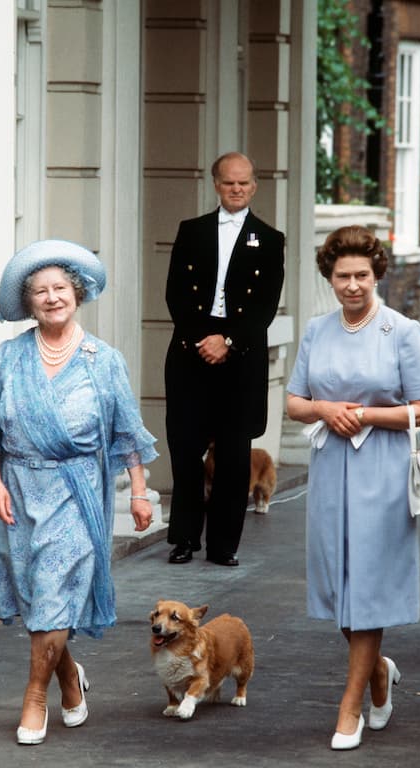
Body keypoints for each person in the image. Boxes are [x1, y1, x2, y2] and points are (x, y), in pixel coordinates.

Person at [0, 239, 157, 745]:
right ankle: (69, 676)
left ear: (79, 292)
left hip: (76, 491)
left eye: (60, 288)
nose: (51, 298)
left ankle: (33, 696)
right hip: (18, 491)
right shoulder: (9, 356)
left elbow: (126, 432)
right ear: (29, 303)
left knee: (51, 591)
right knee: (39, 599)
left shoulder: (103, 360)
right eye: (41, 291)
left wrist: (138, 492)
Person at [286, 225, 420, 750]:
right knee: (336, 583)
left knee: (368, 586)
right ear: (330, 276)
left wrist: (367, 413)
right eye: (343, 276)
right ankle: (377, 670)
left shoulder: (402, 331)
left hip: (383, 469)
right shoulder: (317, 330)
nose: (352, 286)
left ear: (377, 275)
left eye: (362, 276)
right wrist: (325, 409)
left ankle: (349, 707)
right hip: (330, 469)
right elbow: (294, 402)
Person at [164, 152, 284, 566]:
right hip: (191, 352)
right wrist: (204, 339)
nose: (237, 189)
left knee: (234, 458)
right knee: (186, 451)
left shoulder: (270, 240)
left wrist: (228, 340)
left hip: (241, 357)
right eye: (229, 182)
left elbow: (265, 306)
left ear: (254, 186)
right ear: (216, 184)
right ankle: (183, 539)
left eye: (245, 183)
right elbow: (175, 295)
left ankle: (222, 546)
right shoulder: (191, 231)